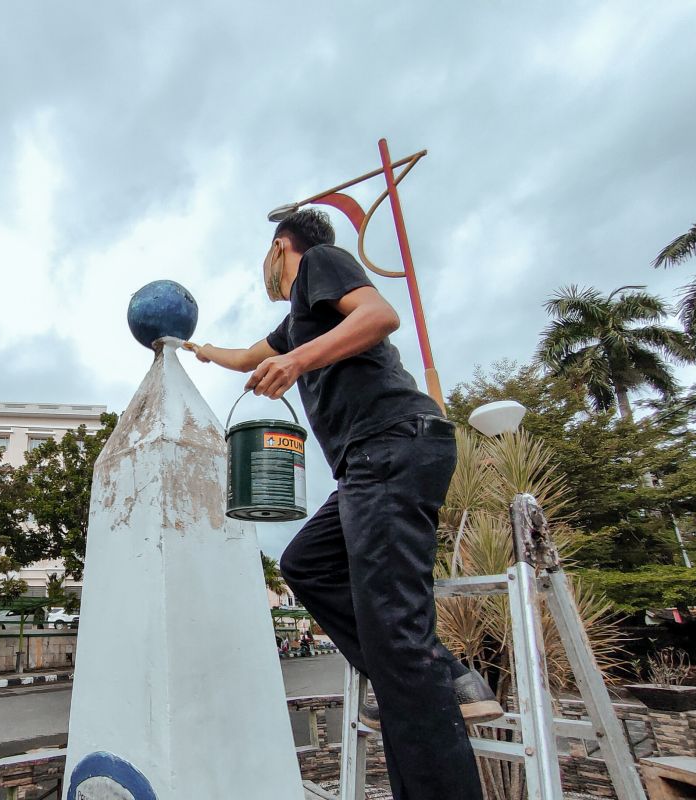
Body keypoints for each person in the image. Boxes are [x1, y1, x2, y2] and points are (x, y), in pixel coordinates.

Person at [185, 209, 499, 800]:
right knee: (305, 563)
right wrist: (199, 350)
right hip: (368, 465)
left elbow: (381, 316)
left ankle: (423, 677)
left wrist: (299, 362)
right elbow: (248, 355)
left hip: (393, 444)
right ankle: (442, 673)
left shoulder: (321, 266)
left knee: (397, 644)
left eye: (269, 257)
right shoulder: (300, 321)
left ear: (281, 248)